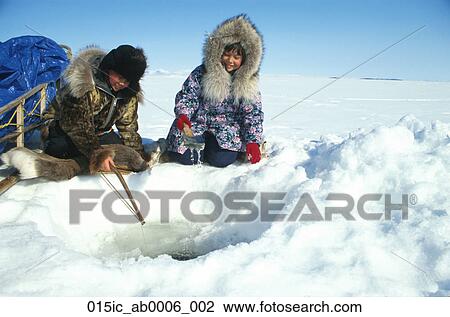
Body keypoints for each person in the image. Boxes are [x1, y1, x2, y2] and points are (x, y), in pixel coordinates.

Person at [165, 15, 264, 167]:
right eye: (227, 54)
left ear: (246, 59)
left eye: (236, 56)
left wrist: (253, 141)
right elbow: (188, 95)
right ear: (218, 52)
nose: (230, 60)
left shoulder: (248, 81)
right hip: (197, 123)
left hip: (227, 128)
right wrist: (183, 115)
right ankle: (200, 145)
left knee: (221, 160)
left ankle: (214, 148)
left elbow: (252, 113)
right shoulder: (202, 71)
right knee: (187, 157)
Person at [43, 44, 147, 173]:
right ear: (109, 69)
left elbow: (128, 128)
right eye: (120, 78)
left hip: (99, 132)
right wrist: (97, 154)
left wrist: (139, 159)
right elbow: (75, 125)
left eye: (127, 81)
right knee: (59, 148)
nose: (122, 84)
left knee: (120, 150)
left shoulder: (128, 93)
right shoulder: (84, 84)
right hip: (63, 127)